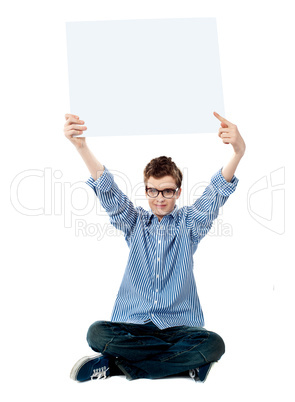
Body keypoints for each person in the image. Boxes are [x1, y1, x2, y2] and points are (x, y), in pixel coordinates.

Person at [64, 112, 246, 382]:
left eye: (167, 191)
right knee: (96, 333)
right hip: (133, 327)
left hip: (179, 328)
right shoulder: (134, 222)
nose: (160, 198)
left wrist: (238, 152)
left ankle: (117, 365)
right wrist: (81, 147)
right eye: (153, 190)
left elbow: (215, 194)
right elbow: (110, 193)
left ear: (178, 192)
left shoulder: (190, 224)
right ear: (146, 190)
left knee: (213, 344)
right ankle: (184, 365)